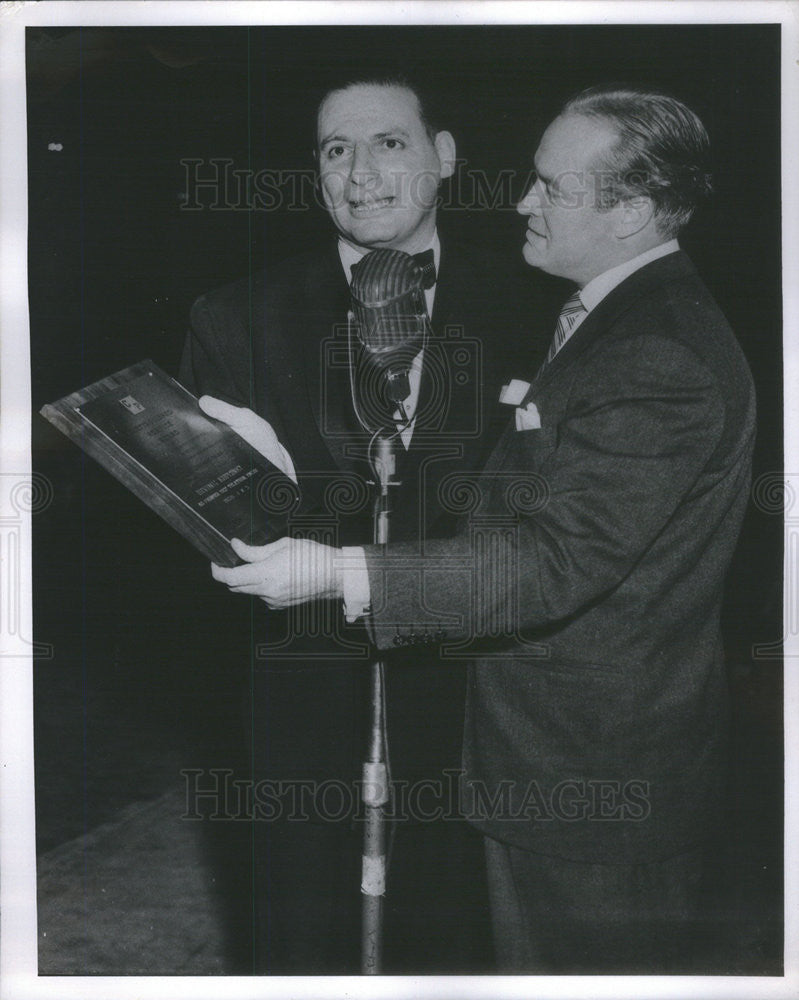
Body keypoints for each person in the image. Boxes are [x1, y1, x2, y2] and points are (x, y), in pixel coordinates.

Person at [210, 85, 757, 973]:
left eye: (552, 189)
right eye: (332, 152)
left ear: (636, 213)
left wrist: (337, 572)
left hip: (583, 774)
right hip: (533, 760)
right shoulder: (611, 318)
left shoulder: (654, 352)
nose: (522, 203)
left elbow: (552, 562)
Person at [180, 76, 544, 972]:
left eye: (388, 143)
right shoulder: (236, 316)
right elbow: (203, 528)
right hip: (306, 688)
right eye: (335, 150)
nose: (360, 173)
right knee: (302, 936)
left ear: (443, 158)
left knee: (459, 934)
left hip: (478, 691)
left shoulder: (538, 305)